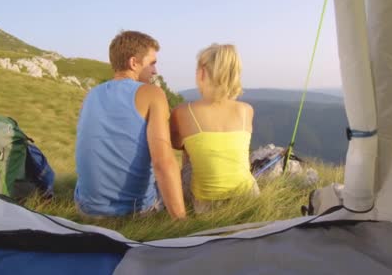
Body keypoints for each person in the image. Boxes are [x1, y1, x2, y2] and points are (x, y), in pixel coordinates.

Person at [74, 30, 186, 219]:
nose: (155, 71)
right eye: (152, 63)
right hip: (135, 212)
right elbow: (163, 164)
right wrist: (182, 222)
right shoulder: (152, 94)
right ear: (134, 63)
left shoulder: (91, 95)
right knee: (182, 176)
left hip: (86, 209)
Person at [170, 44, 259, 214]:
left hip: (208, 207)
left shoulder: (182, 112)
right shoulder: (247, 110)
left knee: (189, 154)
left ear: (202, 73)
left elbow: (176, 144)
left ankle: (187, 207)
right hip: (249, 197)